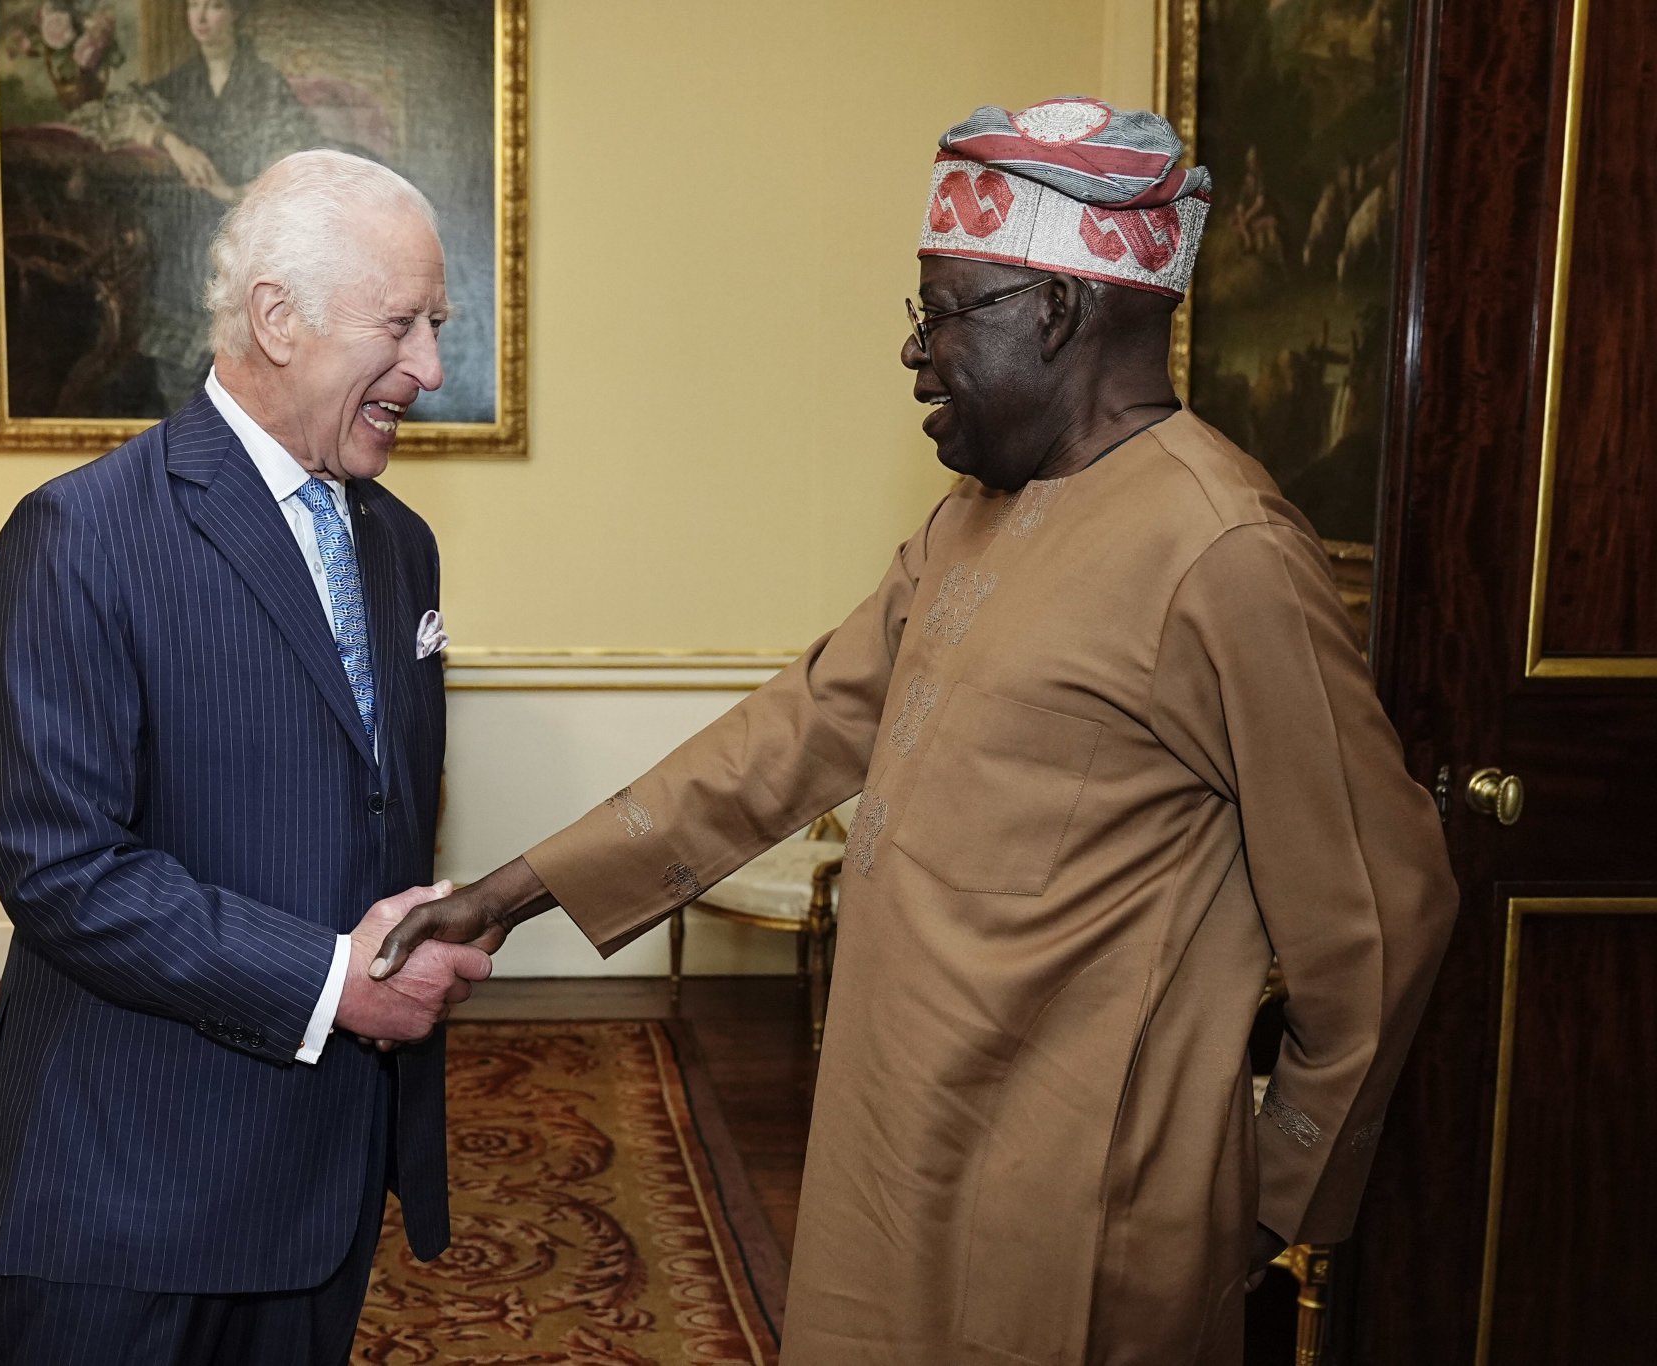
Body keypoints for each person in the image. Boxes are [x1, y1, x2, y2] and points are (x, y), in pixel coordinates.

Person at [371, 98, 1459, 1363]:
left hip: (1070, 1209)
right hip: (897, 1140)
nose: (915, 353)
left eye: (942, 312)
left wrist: (1270, 1191)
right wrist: (511, 892)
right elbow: (794, 730)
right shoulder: (975, 514)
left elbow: (1380, 912)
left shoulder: (1223, 550)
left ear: (1052, 310)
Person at [0, 149, 483, 1365]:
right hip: (132, 1195)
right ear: (276, 318)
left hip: (326, 1175)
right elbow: (62, 872)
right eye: (402, 323)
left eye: (436, 324)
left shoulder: (400, 543)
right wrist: (332, 983)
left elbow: (372, 801)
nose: (428, 365)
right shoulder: (81, 536)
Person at [138, 0, 326, 411]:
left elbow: (298, 160)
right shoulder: (177, 85)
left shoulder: (264, 84)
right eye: (194, 6)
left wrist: (233, 193)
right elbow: (121, 113)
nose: (202, 17)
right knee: (179, 389)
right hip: (184, 242)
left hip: (245, 238)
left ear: (237, 13)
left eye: (215, 5)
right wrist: (173, 143)